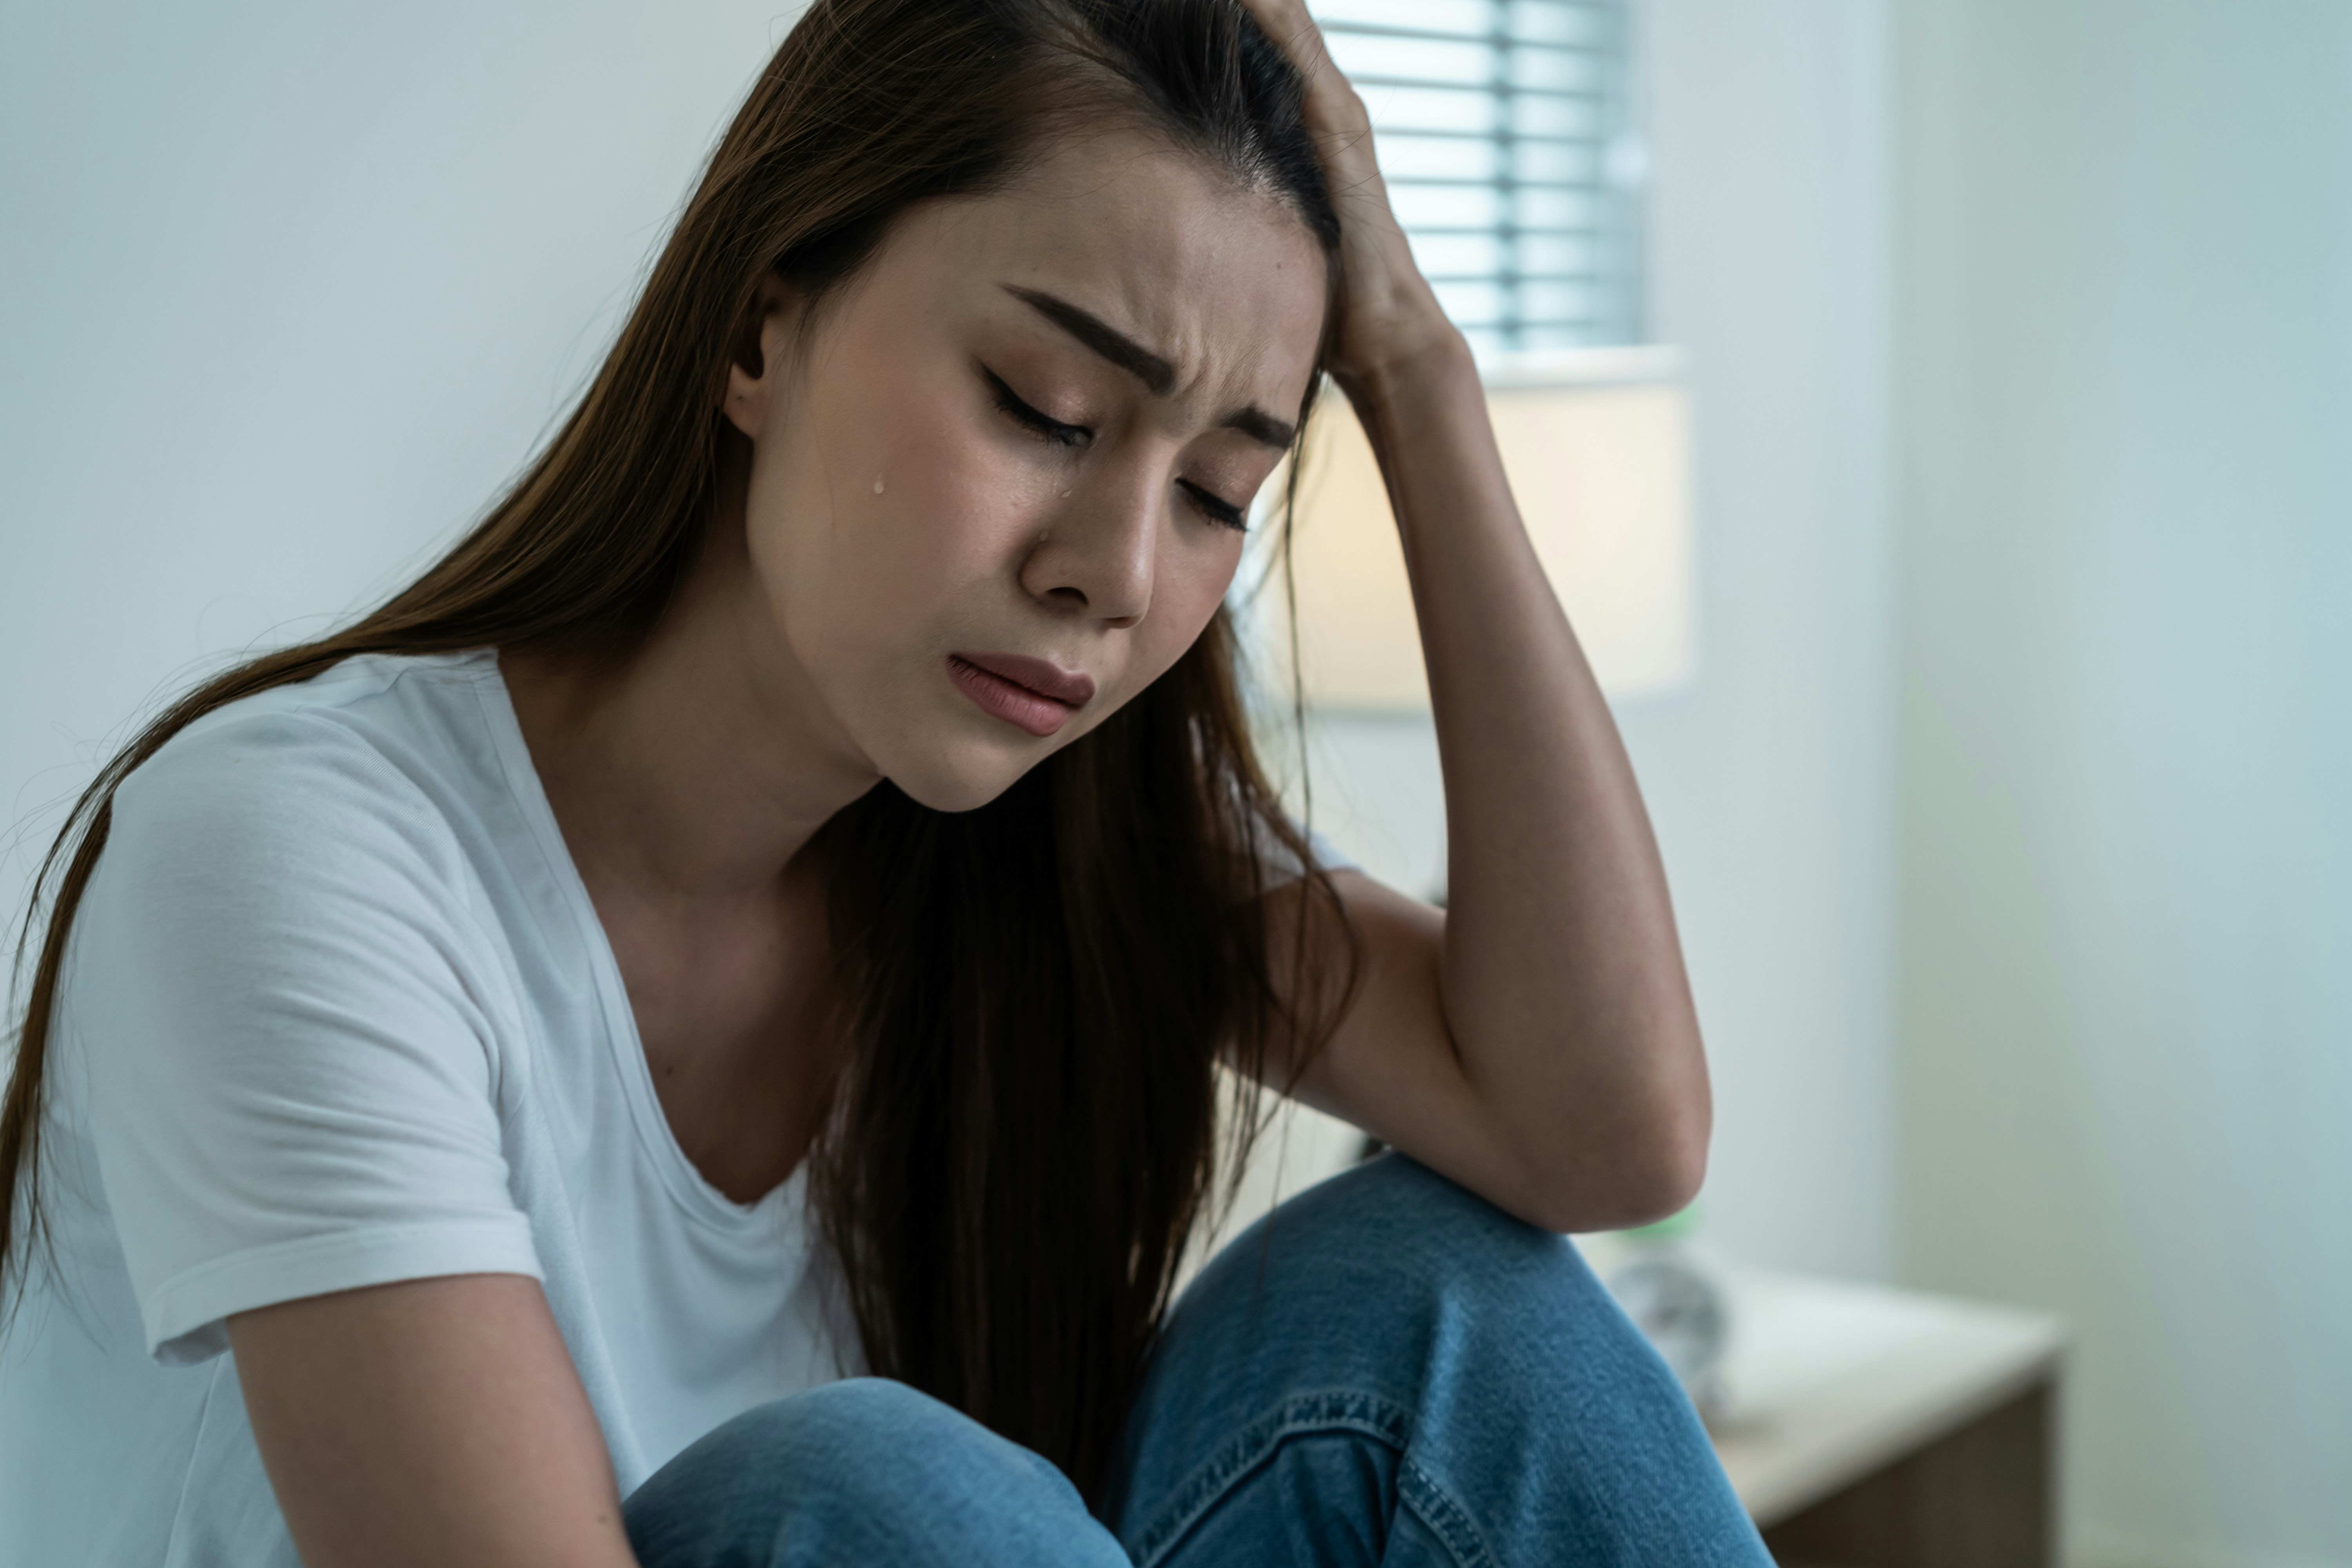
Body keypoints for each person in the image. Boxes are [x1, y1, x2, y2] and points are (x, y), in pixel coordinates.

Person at [0, 0, 1771, 1562]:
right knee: (870, 1491)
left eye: (1217, 494)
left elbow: (1603, 1133)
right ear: (760, 332)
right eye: (1046, 406)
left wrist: (1416, 372)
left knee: (1438, 1301)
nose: (1118, 575)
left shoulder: (1044, 844)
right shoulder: (297, 855)